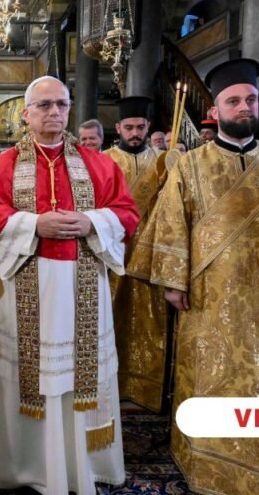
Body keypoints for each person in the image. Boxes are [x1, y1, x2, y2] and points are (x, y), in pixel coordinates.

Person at [129, 59, 259, 494]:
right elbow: (170, 222)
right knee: (208, 375)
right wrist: (173, 279)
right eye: (232, 101)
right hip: (207, 291)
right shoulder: (191, 164)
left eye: (250, 99)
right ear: (216, 110)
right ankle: (202, 459)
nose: (243, 107)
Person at [0, 76, 139, 494]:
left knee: (80, 378)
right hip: (28, 287)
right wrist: (34, 224)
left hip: (84, 289)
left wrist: (91, 221)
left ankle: (82, 465)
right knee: (29, 378)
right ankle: (25, 464)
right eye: (43, 105)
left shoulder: (100, 164)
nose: (54, 113)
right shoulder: (2, 166)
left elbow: (127, 212)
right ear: (26, 113)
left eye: (61, 104)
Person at [102, 96, 168, 412]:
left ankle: (145, 390)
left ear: (148, 127)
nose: (134, 133)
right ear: (118, 128)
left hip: (152, 253)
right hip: (113, 252)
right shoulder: (104, 161)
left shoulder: (165, 162)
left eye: (140, 127)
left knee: (150, 320)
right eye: (128, 127)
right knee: (110, 316)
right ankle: (109, 386)